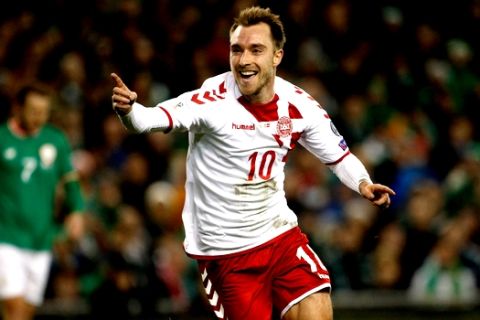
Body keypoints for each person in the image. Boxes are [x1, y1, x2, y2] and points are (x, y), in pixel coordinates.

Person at [111, 6, 395, 320]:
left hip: (278, 235)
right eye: (237, 50)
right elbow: (148, 119)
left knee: (317, 309)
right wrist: (129, 110)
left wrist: (363, 183)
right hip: (226, 252)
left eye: (256, 50)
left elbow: (338, 157)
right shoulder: (211, 101)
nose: (244, 60)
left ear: (277, 56)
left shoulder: (299, 105)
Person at [0, 83, 85, 320]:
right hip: (6, 238)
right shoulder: (2, 139)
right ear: (17, 108)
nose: (39, 117)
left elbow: (70, 181)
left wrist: (77, 212)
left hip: (41, 239)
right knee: (14, 309)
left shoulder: (55, 140)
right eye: (33, 110)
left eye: (44, 111)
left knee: (26, 312)